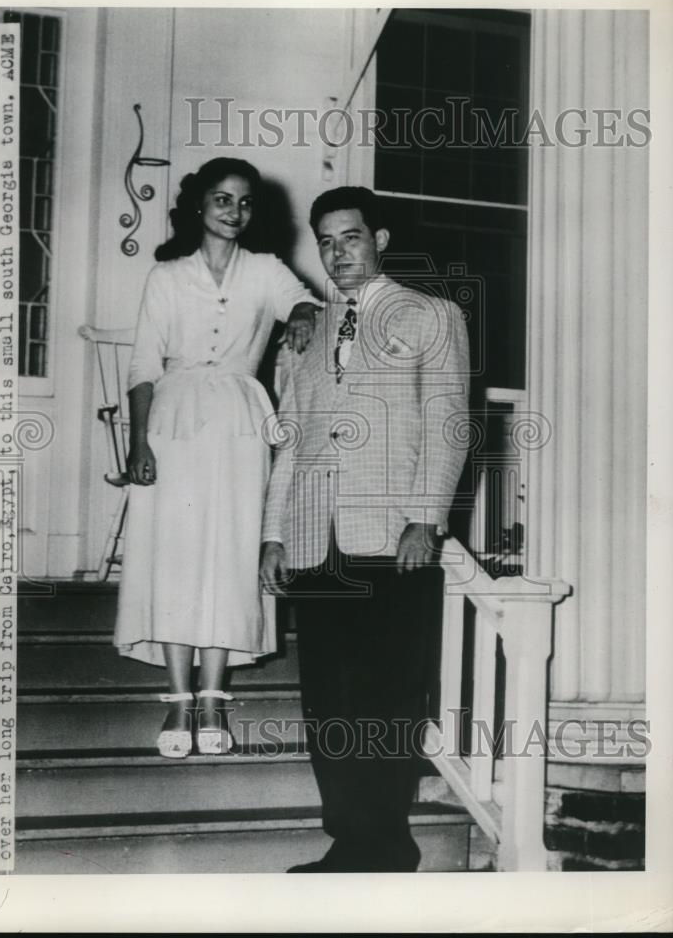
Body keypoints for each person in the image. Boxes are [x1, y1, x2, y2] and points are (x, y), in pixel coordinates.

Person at [260, 186, 470, 872]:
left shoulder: (431, 314)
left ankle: (386, 846)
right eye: (324, 240)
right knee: (329, 702)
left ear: (378, 239)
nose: (336, 251)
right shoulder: (305, 333)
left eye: (349, 236)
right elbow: (289, 443)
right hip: (314, 539)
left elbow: (449, 426)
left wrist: (427, 520)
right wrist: (272, 535)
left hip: (391, 539)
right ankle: (349, 840)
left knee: (383, 700)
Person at [115, 157, 320, 759]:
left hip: (239, 421)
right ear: (198, 205)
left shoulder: (265, 269)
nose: (234, 211)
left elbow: (303, 303)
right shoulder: (167, 276)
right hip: (173, 419)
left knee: (229, 555)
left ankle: (213, 699)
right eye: (222, 199)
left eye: (246, 202)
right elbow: (142, 366)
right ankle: (179, 702)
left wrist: (305, 315)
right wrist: (138, 441)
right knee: (175, 558)